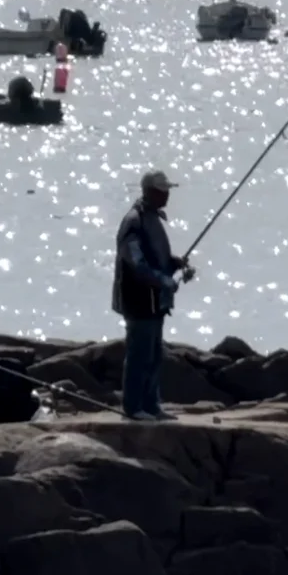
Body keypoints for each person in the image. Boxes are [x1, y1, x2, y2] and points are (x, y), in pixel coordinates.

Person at [112, 170, 195, 420]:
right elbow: (137, 264)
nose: (166, 194)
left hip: (154, 302)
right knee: (139, 354)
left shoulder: (152, 218)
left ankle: (151, 405)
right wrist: (165, 282)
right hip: (138, 301)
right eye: (161, 190)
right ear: (148, 191)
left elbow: (154, 258)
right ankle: (133, 407)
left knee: (154, 355)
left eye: (167, 189)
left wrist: (175, 263)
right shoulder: (134, 221)